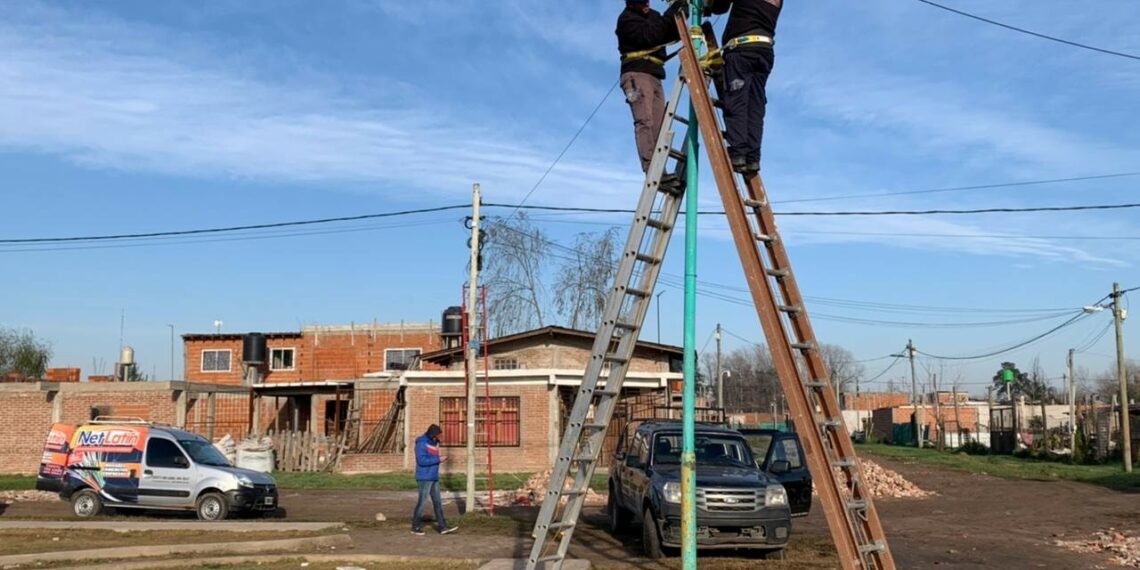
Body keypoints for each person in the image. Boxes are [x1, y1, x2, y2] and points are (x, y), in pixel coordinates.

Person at [704, 0, 782, 174]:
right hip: (765, 51)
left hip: (742, 50)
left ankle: (738, 153)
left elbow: (719, 6)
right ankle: (752, 157)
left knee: (737, 100)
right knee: (755, 105)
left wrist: (706, 7)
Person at [616, 0, 687, 181]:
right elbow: (652, 35)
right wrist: (672, 12)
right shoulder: (627, 20)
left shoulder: (654, 16)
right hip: (636, 74)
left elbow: (667, 32)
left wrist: (680, 14)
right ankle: (652, 169)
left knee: (658, 125)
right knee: (645, 121)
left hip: (655, 75)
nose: (646, 4)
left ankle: (659, 171)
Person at [411, 424, 458, 536]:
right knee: (422, 502)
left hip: (433, 476)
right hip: (424, 477)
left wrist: (438, 458)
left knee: (437, 502)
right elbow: (422, 460)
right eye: (439, 435)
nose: (440, 437)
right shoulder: (422, 443)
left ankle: (443, 527)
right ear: (433, 434)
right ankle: (415, 526)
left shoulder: (435, 443)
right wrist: (438, 459)